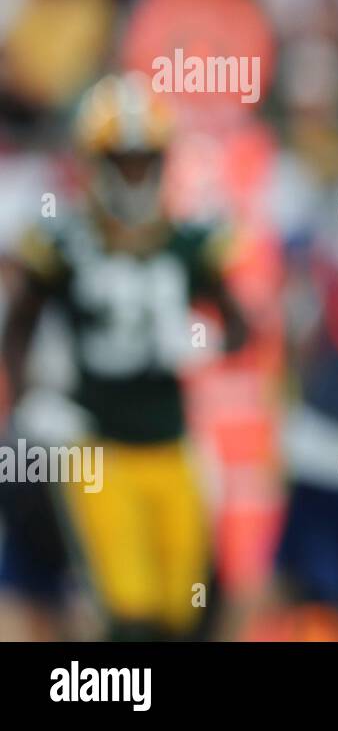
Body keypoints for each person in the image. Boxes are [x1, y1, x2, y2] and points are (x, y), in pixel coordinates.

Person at [0, 73, 247, 640]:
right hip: (99, 446)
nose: (135, 174)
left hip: (173, 444)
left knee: (185, 609)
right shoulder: (62, 242)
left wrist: (202, 343)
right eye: (122, 160)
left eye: (144, 160)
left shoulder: (190, 240)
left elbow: (241, 328)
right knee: (127, 614)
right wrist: (28, 401)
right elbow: (17, 329)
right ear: (94, 162)